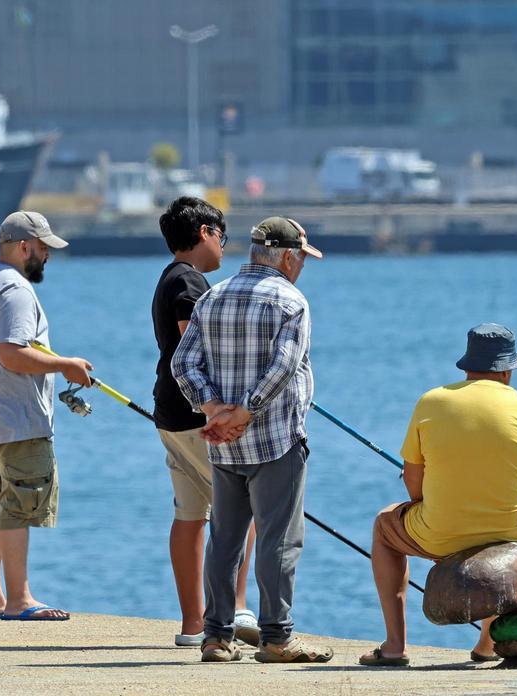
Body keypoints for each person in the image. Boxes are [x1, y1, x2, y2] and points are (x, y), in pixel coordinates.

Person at [171, 217, 333, 664]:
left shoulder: (212, 295)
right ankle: (277, 637)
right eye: (301, 257)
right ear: (286, 256)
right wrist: (244, 411)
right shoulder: (292, 301)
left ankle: (216, 637)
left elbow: (182, 364)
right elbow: (283, 367)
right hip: (277, 439)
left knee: (225, 539)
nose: (301, 266)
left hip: (223, 443)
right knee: (279, 539)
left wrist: (213, 410)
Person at [359, 323, 517, 667]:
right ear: (507, 371)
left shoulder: (432, 400)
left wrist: (437, 509)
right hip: (509, 533)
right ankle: (488, 644)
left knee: (384, 526)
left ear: (466, 366)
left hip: (438, 533)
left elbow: (413, 486)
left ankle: (395, 645)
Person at [0, 211, 94, 621]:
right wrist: (66, 365)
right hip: (19, 419)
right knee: (18, 504)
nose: (47, 256)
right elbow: (11, 352)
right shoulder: (15, 290)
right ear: (23, 246)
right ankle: (19, 599)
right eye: (42, 248)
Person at [150, 197, 258, 648]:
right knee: (240, 511)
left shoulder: (168, 277)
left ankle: (194, 622)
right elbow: (194, 347)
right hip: (199, 416)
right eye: (221, 237)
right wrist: (221, 405)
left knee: (191, 514)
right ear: (204, 234)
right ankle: (232, 610)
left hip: (170, 414)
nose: (223, 247)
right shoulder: (189, 284)